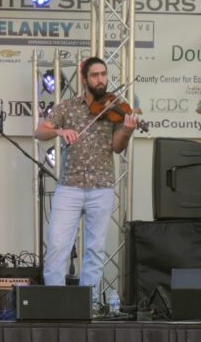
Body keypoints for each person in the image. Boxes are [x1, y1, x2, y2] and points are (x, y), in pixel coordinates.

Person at [34, 56, 139, 302]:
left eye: (104, 74)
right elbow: (40, 131)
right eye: (95, 75)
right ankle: (55, 302)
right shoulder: (68, 107)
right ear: (84, 79)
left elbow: (117, 147)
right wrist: (59, 131)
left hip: (101, 187)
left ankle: (88, 304)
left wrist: (127, 130)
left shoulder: (116, 106)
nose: (101, 80)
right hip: (69, 185)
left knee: (95, 249)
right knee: (58, 245)